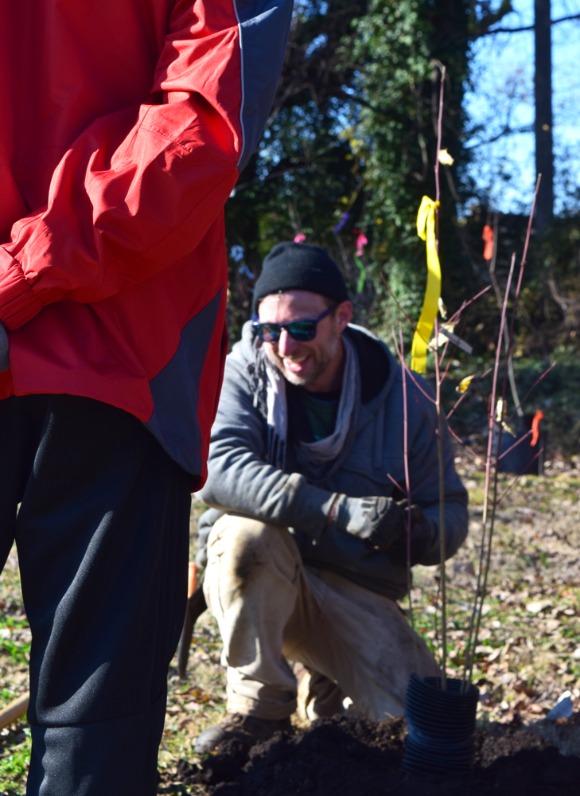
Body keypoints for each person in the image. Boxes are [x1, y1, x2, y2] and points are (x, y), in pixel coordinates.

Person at [0, 2, 293, 794]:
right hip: (130, 353)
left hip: (126, 367)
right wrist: (25, 271)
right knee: (92, 729)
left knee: (94, 721)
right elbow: (201, 133)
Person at [195, 240, 469, 753]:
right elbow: (216, 470)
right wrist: (335, 510)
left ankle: (325, 683)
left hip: (356, 586)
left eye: (302, 329)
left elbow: (449, 507)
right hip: (266, 578)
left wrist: (419, 532)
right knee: (243, 535)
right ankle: (259, 716)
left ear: (342, 317)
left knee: (420, 730)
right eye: (269, 330)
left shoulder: (405, 399)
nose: (285, 346)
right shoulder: (244, 371)